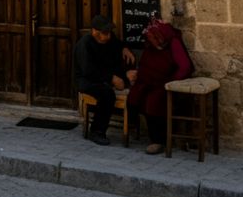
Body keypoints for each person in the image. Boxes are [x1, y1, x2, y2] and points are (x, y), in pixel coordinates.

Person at [125, 18, 193, 155]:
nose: (153, 42)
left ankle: (158, 140)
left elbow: (185, 67)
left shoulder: (173, 42)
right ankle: (134, 130)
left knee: (153, 102)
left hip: (163, 82)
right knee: (135, 97)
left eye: (154, 39)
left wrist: (172, 81)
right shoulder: (151, 43)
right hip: (146, 81)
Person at [73, 14, 136, 146]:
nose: (107, 37)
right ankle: (97, 131)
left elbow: (117, 44)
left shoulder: (108, 39)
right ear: (95, 31)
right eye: (104, 34)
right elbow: (88, 71)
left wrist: (125, 49)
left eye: (109, 33)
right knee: (107, 94)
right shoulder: (85, 44)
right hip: (88, 80)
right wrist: (111, 78)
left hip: (106, 76)